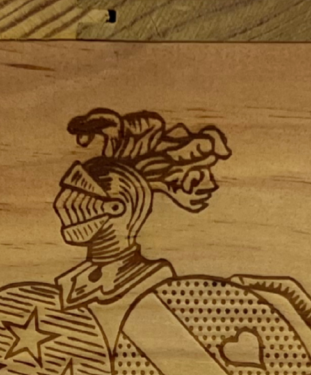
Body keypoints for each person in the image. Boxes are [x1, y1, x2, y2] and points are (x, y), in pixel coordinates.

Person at [51, 106, 231, 312]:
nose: (65, 203)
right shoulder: (73, 282)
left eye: (82, 192)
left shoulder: (152, 282)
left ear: (118, 207)